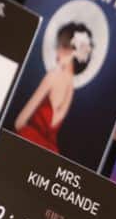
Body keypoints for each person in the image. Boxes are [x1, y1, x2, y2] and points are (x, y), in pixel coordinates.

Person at [13, 19, 93, 150]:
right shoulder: (71, 87)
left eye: (61, 46)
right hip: (49, 151)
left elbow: (19, 122)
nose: (57, 51)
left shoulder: (53, 75)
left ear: (71, 51)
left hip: (27, 140)